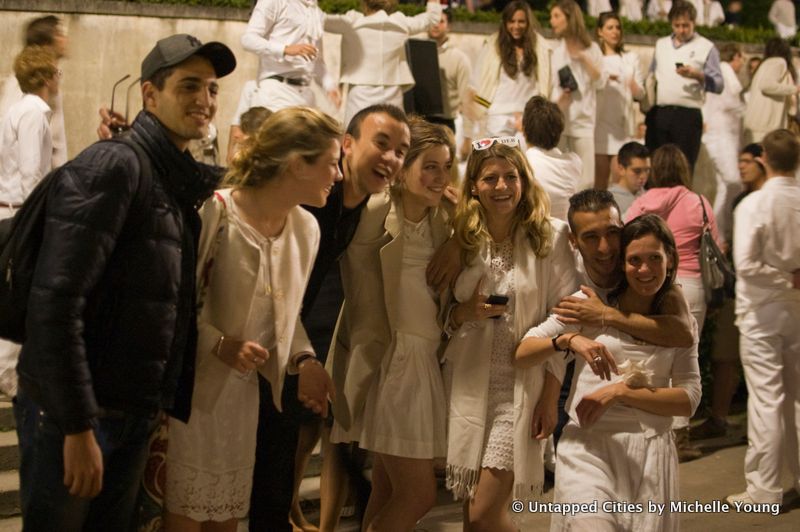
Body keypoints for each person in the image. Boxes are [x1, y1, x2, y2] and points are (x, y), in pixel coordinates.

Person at [12, 33, 236, 531]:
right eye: (189, 87)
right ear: (149, 95)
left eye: (213, 90)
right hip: (77, 415)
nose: (205, 101)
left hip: (127, 411)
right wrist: (76, 426)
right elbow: (55, 302)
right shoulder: (116, 165)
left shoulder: (169, 177)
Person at [163, 107, 338, 532]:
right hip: (192, 398)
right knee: (183, 520)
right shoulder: (215, 212)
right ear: (298, 164)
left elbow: (286, 312)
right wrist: (221, 344)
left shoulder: (306, 229)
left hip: (244, 402)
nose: (338, 174)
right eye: (331, 163)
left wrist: (305, 361)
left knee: (225, 520)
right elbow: (176, 306)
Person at [250, 104, 411, 532]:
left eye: (401, 151)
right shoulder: (312, 202)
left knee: (279, 463)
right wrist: (302, 360)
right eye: (382, 143)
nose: (392, 158)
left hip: (296, 339)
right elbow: (271, 291)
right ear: (347, 145)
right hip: (259, 343)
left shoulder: (365, 204)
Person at [517, 214, 701, 531]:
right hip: (588, 446)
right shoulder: (588, 305)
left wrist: (620, 392)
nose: (644, 269)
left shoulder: (678, 323)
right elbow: (523, 351)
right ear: (622, 264)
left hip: (649, 454)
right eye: (634, 260)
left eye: (654, 258)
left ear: (670, 259)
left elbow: (689, 399)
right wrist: (569, 339)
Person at [443, 137, 577, 531]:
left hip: (521, 387)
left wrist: (551, 397)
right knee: (473, 517)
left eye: (510, 176)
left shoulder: (550, 237)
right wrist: (464, 312)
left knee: (485, 512)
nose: (501, 186)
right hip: (467, 386)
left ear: (524, 181)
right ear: (474, 186)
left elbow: (566, 317)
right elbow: (442, 319)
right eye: (490, 178)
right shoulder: (462, 240)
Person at [328, 118, 455, 531]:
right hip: (391, 358)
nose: (440, 177)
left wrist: (457, 236)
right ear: (405, 167)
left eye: (446, 166)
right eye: (430, 166)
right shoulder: (379, 210)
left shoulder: (442, 221)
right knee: (418, 495)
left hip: (424, 355)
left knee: (386, 491)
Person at [627, 144, 718, 461]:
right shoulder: (697, 201)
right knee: (685, 358)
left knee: (654, 354)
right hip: (691, 285)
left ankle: (651, 423)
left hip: (652, 284)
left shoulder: (643, 202)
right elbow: (716, 242)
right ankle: (679, 434)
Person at [726, 129, 800, 508]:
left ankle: (764, 489)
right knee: (796, 400)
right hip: (796, 306)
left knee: (766, 400)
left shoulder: (754, 205)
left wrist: (784, 277)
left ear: (763, 159)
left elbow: (747, 265)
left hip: (761, 311)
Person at [692, 143, 767, 441]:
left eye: (748, 161)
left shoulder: (761, 202)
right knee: (725, 355)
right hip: (738, 287)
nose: (742, 167)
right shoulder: (741, 200)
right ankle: (720, 417)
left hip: (760, 292)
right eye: (740, 161)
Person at [0, 46, 61, 399]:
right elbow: (31, 170)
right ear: (45, 77)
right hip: (19, 210)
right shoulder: (35, 113)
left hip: (10, 207)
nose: (58, 79)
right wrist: (38, 215)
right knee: (18, 286)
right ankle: (8, 372)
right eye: (56, 73)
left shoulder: (19, 110)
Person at [323, 0, 441, 127]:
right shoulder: (401, 23)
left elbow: (318, 20)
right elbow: (432, 18)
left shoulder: (351, 22)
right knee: (392, 138)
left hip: (359, 94)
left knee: (356, 139)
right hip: (392, 94)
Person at [645, 0, 724, 170]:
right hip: (661, 113)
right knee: (657, 167)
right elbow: (651, 76)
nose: (681, 30)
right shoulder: (661, 44)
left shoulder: (707, 47)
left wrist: (697, 75)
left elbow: (718, 84)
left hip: (688, 115)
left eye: (686, 25)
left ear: (694, 23)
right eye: (677, 25)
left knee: (683, 168)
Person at [462, 1, 552, 144]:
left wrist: (535, 114)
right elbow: (475, 83)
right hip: (497, 116)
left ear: (528, 22)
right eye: (512, 21)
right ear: (505, 23)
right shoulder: (493, 44)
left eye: (521, 21)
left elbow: (546, 83)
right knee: (499, 162)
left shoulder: (540, 46)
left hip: (526, 117)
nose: (516, 26)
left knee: (525, 163)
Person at [241, 0, 339, 112]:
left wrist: (329, 85)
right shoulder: (273, 2)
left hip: (305, 96)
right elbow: (248, 40)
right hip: (276, 93)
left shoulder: (317, 12)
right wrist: (285, 49)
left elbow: (315, 59)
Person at [549, 0, 605, 190]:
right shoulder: (557, 53)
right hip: (561, 122)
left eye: (556, 16)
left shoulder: (592, 49)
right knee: (560, 178)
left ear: (570, 18)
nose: (552, 21)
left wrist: (583, 58)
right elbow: (553, 88)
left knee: (586, 180)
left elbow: (600, 82)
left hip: (584, 123)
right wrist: (559, 101)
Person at [0, 15, 69, 167]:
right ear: (46, 44)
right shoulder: (22, 84)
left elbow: (56, 141)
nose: (65, 39)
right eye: (58, 34)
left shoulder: (52, 81)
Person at [594, 11, 645, 190]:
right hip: (599, 125)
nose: (615, 31)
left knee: (619, 181)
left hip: (621, 126)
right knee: (599, 181)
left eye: (617, 27)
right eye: (610, 28)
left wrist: (633, 86)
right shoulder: (595, 58)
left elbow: (641, 94)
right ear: (600, 31)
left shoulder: (630, 59)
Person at [701, 42, 744, 248]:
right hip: (721, 135)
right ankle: (725, 230)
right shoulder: (725, 70)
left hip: (719, 135)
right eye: (740, 58)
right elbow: (732, 102)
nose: (742, 63)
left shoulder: (717, 72)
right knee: (734, 182)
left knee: (725, 186)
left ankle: (721, 234)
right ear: (734, 57)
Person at [522, 95, 581, 221]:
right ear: (559, 132)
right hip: (566, 234)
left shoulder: (524, 164)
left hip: (534, 234)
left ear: (524, 130)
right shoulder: (575, 162)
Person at [743, 38, 799, 145]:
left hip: (755, 125)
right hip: (765, 126)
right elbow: (766, 85)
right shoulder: (778, 62)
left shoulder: (764, 64)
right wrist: (794, 89)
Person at [426, 7, 471, 135]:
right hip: (419, 122)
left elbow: (466, 98)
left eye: (441, 21)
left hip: (445, 123)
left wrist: (468, 135)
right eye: (433, 21)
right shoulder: (415, 51)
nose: (436, 25)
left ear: (448, 26)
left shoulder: (459, 58)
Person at [609, 141, 650, 219]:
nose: (643, 176)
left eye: (647, 170)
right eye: (637, 171)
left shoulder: (650, 196)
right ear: (621, 169)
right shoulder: (609, 200)